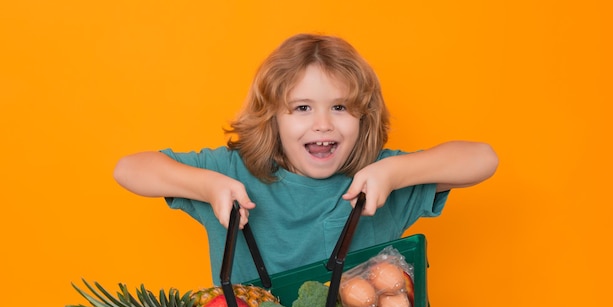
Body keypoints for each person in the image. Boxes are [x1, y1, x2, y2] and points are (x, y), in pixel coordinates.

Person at [114, 33, 498, 284]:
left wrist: (397, 171)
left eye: (340, 107)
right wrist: (207, 186)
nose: (322, 124)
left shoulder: (379, 179)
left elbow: (482, 159)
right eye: (301, 108)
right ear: (272, 116)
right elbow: (129, 169)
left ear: (363, 116)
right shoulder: (232, 172)